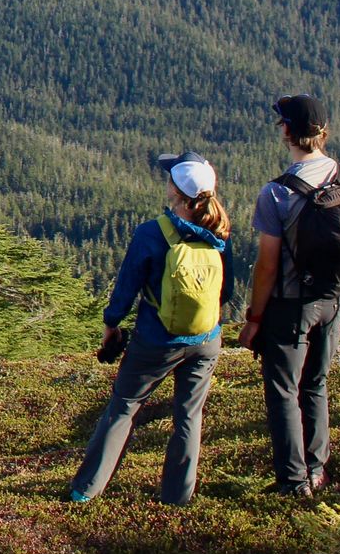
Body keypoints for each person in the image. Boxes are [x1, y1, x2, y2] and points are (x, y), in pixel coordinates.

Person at [68, 152, 233, 506]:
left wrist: (111, 326)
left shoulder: (152, 233)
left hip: (157, 340)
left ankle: (86, 490)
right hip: (206, 340)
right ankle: (178, 497)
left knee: (125, 406)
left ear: (175, 190)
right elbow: (227, 291)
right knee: (189, 415)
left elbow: (125, 289)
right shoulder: (220, 232)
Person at [236, 93, 340, 497]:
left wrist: (254, 319)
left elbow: (268, 266)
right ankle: (316, 470)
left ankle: (293, 482)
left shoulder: (277, 193)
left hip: (292, 306)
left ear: (288, 131)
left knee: (283, 390)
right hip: (334, 300)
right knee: (315, 383)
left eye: (282, 123)